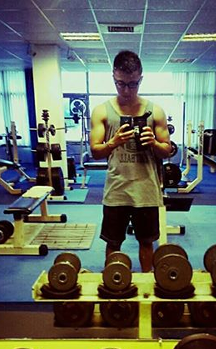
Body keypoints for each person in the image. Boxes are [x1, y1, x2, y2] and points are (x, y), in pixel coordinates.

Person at [89, 50, 172, 272]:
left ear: (140, 79)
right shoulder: (101, 111)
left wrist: (153, 143)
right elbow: (95, 152)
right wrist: (113, 142)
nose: (126, 90)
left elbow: (167, 150)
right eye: (121, 84)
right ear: (113, 78)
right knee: (113, 243)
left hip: (146, 191)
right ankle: (113, 281)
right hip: (116, 191)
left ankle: (147, 281)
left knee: (147, 242)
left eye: (133, 84)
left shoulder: (155, 111)